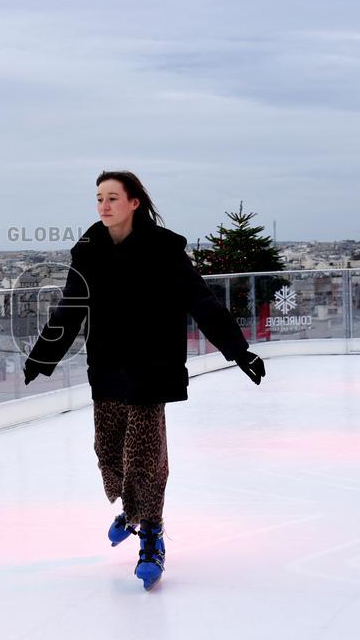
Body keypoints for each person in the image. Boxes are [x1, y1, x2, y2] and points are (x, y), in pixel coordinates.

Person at [23, 171, 266, 591]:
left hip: (152, 364)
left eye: (112, 198)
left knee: (146, 455)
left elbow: (200, 300)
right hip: (108, 363)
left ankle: (150, 535)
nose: (103, 206)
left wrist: (238, 349)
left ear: (134, 203)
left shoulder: (163, 249)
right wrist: (42, 356)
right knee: (109, 451)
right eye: (99, 198)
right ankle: (130, 509)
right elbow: (70, 307)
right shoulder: (88, 250)